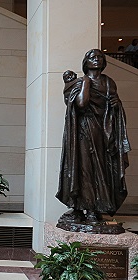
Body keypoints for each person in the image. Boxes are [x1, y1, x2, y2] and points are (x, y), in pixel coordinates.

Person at [56, 49, 131, 224]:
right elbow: (81, 104)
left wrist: (116, 105)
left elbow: (114, 106)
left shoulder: (109, 82)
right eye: (92, 57)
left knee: (101, 168)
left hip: (104, 131)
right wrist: (86, 83)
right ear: (85, 62)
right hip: (83, 130)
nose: (96, 59)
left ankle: (97, 206)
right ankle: (82, 207)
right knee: (84, 167)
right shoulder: (80, 82)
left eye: (100, 57)